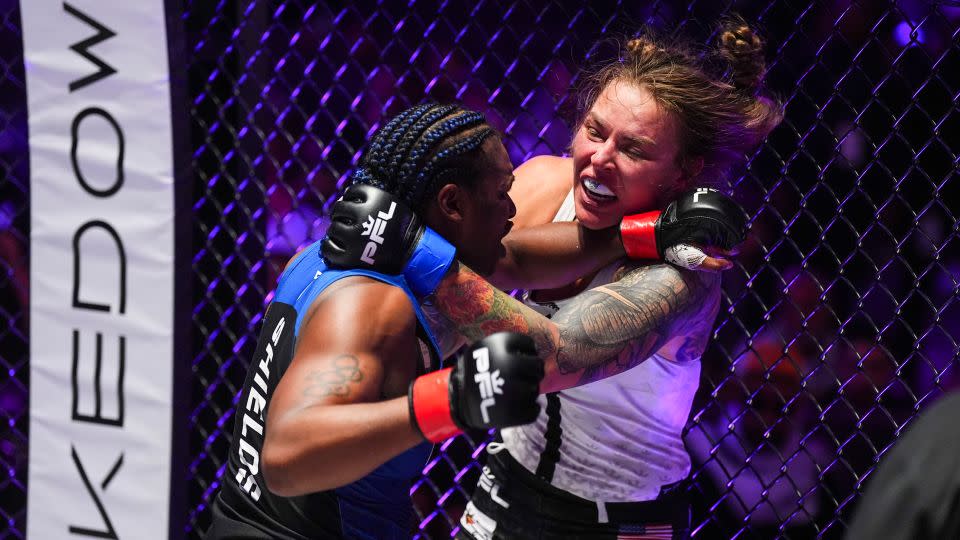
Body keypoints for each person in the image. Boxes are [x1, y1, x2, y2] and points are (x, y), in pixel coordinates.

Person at [324, 19, 783, 540]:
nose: (599, 159)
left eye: (633, 150)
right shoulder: (544, 181)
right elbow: (496, 260)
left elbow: (547, 358)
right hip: (507, 484)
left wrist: (412, 245)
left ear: (682, 172)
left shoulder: (685, 274)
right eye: (594, 130)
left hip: (618, 520)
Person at [207, 102, 739, 539]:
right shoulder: (373, 302)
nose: (515, 208)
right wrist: (449, 400)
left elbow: (515, 259)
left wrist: (646, 231)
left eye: (633, 147)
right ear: (452, 205)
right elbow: (285, 455)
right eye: (501, 194)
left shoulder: (343, 257)